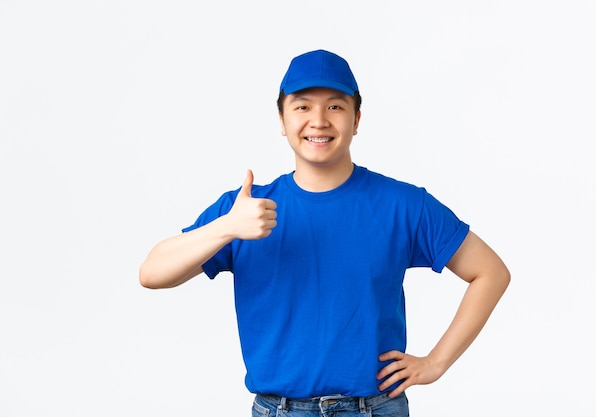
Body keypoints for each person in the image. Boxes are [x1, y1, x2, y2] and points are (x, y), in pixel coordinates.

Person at [139, 49, 510, 416]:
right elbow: (152, 273)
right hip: (277, 409)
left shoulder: (403, 204)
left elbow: (490, 272)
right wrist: (226, 228)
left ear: (357, 118)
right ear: (282, 120)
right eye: (302, 106)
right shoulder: (245, 209)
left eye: (335, 106)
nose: (318, 120)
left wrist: (435, 363)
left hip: (374, 408)